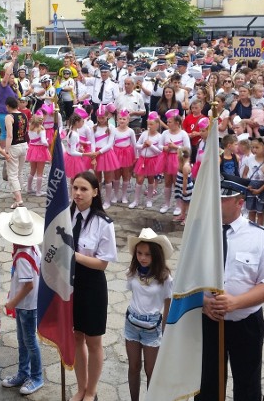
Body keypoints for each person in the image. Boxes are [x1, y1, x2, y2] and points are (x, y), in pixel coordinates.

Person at [198, 180, 264, 401]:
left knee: (247, 384)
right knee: (207, 384)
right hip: (209, 320)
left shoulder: (259, 237)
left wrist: (235, 302)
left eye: (223, 200)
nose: (216, 204)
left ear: (239, 203)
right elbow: (184, 280)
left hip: (245, 322)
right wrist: (203, 302)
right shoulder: (200, 233)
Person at [69, 172, 117, 401]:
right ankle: (81, 387)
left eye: (84, 189)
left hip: (91, 285)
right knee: (77, 337)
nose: (78, 193)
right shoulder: (65, 216)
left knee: (93, 340)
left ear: (95, 192)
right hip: (70, 284)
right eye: (75, 188)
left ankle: (92, 390)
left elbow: (102, 263)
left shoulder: (103, 223)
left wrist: (74, 256)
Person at [0, 207, 45, 395]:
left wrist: (11, 302)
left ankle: (36, 376)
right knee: (23, 340)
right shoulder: (30, 248)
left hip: (26, 305)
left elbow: (28, 286)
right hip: (26, 304)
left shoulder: (23, 256)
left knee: (29, 341)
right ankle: (23, 372)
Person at [124, 229, 173, 401]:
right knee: (133, 367)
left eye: (148, 254)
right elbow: (133, 294)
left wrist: (165, 333)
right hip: (131, 324)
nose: (143, 258)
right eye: (139, 253)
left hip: (152, 329)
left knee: (151, 371)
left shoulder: (165, 278)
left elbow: (168, 306)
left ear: (156, 255)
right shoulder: (132, 272)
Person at [130, 112, 164, 209]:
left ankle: (149, 199)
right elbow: (137, 145)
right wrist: (143, 145)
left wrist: (151, 145)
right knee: (139, 179)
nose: (149, 126)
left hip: (153, 160)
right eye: (148, 124)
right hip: (142, 160)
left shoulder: (159, 136)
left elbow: (159, 151)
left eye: (151, 124)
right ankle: (136, 200)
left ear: (157, 125)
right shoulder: (144, 134)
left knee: (150, 179)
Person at [161, 110, 191, 214]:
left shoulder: (183, 134)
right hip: (167, 158)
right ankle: (166, 203)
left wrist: (176, 147)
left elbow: (187, 149)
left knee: (177, 182)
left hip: (178, 160)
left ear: (177, 123)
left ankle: (178, 206)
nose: (167, 123)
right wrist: (164, 148)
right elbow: (160, 145)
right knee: (167, 181)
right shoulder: (165, 133)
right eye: (167, 121)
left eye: (170, 122)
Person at [91, 104, 120, 208]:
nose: (101, 119)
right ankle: (98, 199)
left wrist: (98, 152)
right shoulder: (94, 127)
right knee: (97, 179)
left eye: (103, 117)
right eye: (99, 117)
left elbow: (110, 144)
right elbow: (92, 142)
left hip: (106, 154)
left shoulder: (111, 128)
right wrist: (93, 152)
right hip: (96, 154)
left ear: (107, 116)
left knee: (108, 179)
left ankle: (107, 200)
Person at [4, 97, 29, 209]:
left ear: (8, 106)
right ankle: (18, 193)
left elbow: (9, 135)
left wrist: (6, 150)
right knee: (19, 171)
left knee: (12, 174)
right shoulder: (23, 115)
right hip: (24, 145)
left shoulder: (9, 117)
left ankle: (19, 200)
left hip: (14, 146)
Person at [112, 110, 137, 204]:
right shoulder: (114, 130)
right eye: (120, 119)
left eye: (124, 119)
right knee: (116, 175)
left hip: (127, 154)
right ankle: (115, 195)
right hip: (116, 153)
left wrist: (136, 156)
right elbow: (111, 143)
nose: (122, 120)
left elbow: (134, 144)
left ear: (128, 120)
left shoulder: (131, 131)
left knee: (126, 175)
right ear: (117, 119)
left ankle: (124, 195)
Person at [25, 114, 50, 197]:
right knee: (40, 172)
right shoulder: (41, 129)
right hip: (40, 150)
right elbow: (43, 141)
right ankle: (38, 191)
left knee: (32, 170)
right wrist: (47, 143)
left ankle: (29, 188)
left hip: (32, 149)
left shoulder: (30, 128)